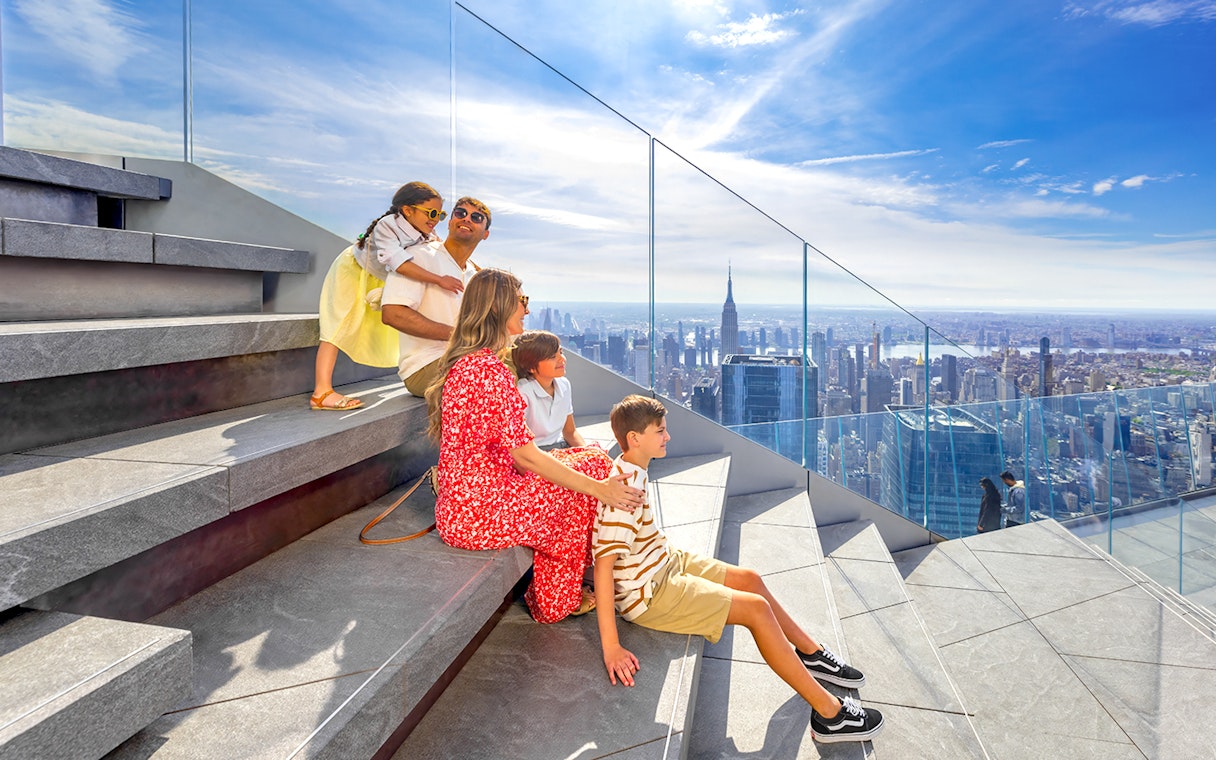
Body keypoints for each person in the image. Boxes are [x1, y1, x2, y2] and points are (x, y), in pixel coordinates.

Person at [592, 394, 884, 745]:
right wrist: (611, 646)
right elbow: (604, 565)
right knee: (756, 610)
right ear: (635, 439)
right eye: (660, 431)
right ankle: (830, 715)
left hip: (664, 562)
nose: (667, 437)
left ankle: (811, 653)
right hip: (650, 594)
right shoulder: (625, 493)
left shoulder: (633, 468)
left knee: (751, 580)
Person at [425, 269, 645, 624]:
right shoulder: (488, 371)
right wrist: (600, 490)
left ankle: (588, 576)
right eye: (521, 301)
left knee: (590, 460)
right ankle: (558, 597)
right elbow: (525, 455)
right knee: (590, 478)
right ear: (498, 307)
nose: (526, 310)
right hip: (481, 511)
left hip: (470, 502)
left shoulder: (472, 364)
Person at [310, 181, 463, 410]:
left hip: (380, 276)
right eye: (431, 212)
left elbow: (444, 252)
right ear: (407, 210)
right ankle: (321, 392)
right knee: (337, 325)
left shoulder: (426, 232)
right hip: (352, 270)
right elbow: (399, 264)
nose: (435, 219)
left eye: (440, 215)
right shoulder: (387, 225)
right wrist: (439, 279)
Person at [381, 197, 493, 397]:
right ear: (450, 222)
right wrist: (459, 337)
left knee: (531, 361)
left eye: (476, 217)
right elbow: (393, 314)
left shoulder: (473, 274)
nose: (466, 219)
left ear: (485, 234)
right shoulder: (418, 256)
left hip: (464, 359)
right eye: (460, 213)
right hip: (424, 365)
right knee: (493, 377)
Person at [513, 331, 586, 451]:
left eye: (561, 352)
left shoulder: (564, 385)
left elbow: (570, 432)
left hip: (559, 448)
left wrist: (588, 452)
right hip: (535, 454)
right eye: (553, 357)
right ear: (531, 366)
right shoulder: (522, 394)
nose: (562, 359)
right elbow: (520, 448)